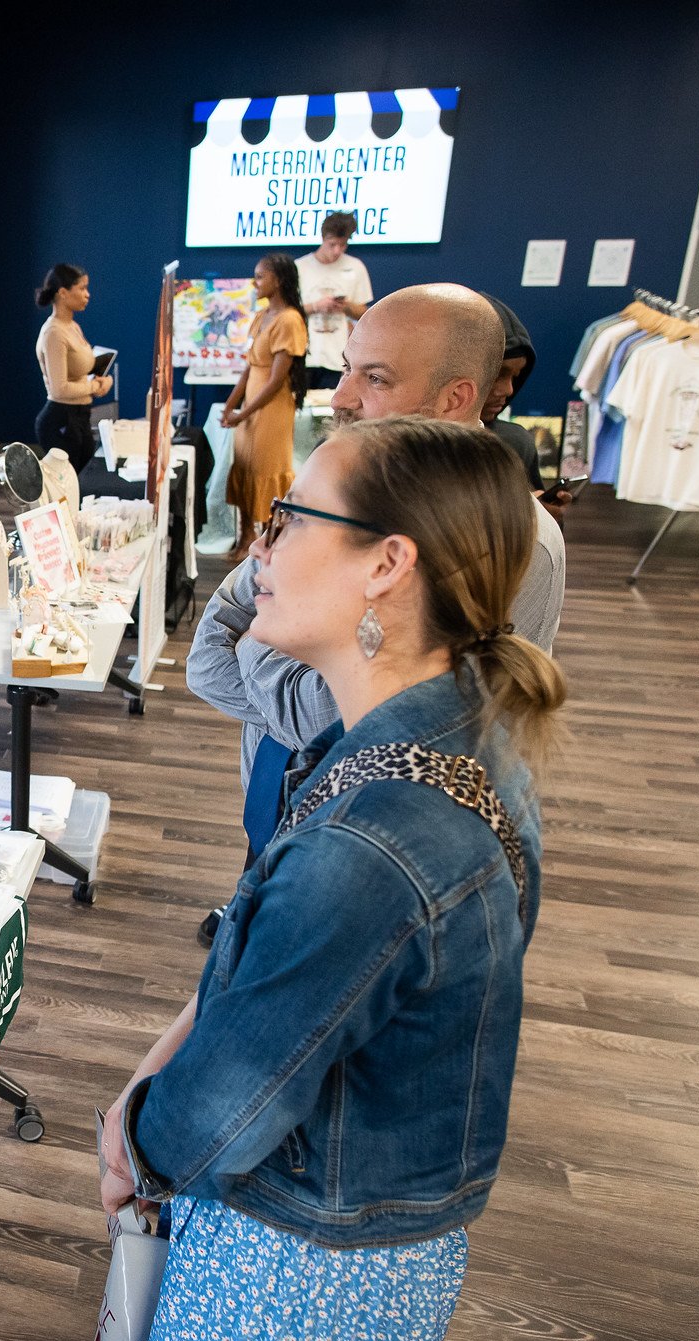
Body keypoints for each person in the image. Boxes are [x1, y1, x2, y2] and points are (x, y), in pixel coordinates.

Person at [103, 415, 566, 1341]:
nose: (260, 545)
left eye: (290, 517)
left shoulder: (373, 842)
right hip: (367, 1241)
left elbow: (221, 1108)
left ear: (386, 564)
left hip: (300, 1277)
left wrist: (137, 1139)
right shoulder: (448, 734)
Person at [188, 283, 565, 861]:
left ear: (454, 397)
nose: (340, 397)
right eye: (346, 369)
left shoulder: (514, 539)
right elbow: (208, 655)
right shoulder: (336, 476)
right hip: (273, 790)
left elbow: (341, 722)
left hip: (370, 834)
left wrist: (254, 647)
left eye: (376, 379)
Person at [220, 253, 308, 557]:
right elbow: (249, 368)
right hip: (250, 407)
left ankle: (271, 541)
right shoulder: (261, 316)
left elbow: (275, 380)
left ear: (279, 280)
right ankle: (246, 535)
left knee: (267, 470)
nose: (255, 282)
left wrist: (244, 411)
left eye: (260, 276)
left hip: (271, 409)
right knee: (245, 466)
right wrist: (231, 405)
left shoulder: (290, 320)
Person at [483, 292, 576, 523]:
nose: (508, 390)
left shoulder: (514, 443)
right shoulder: (400, 445)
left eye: (516, 376)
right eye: (498, 374)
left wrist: (542, 515)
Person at [32, 263, 114, 472]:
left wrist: (103, 380)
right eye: (82, 288)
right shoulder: (54, 333)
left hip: (79, 416)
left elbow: (80, 374)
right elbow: (60, 389)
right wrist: (94, 386)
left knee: (82, 482)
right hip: (61, 420)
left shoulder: (72, 327)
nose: (87, 295)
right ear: (63, 293)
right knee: (70, 486)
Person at [295, 211, 374, 391]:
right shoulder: (300, 267)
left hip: (337, 357)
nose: (337, 250)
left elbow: (364, 312)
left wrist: (345, 306)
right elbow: (288, 311)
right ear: (323, 238)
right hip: (302, 355)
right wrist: (316, 306)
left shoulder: (355, 267)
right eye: (332, 244)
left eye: (343, 245)